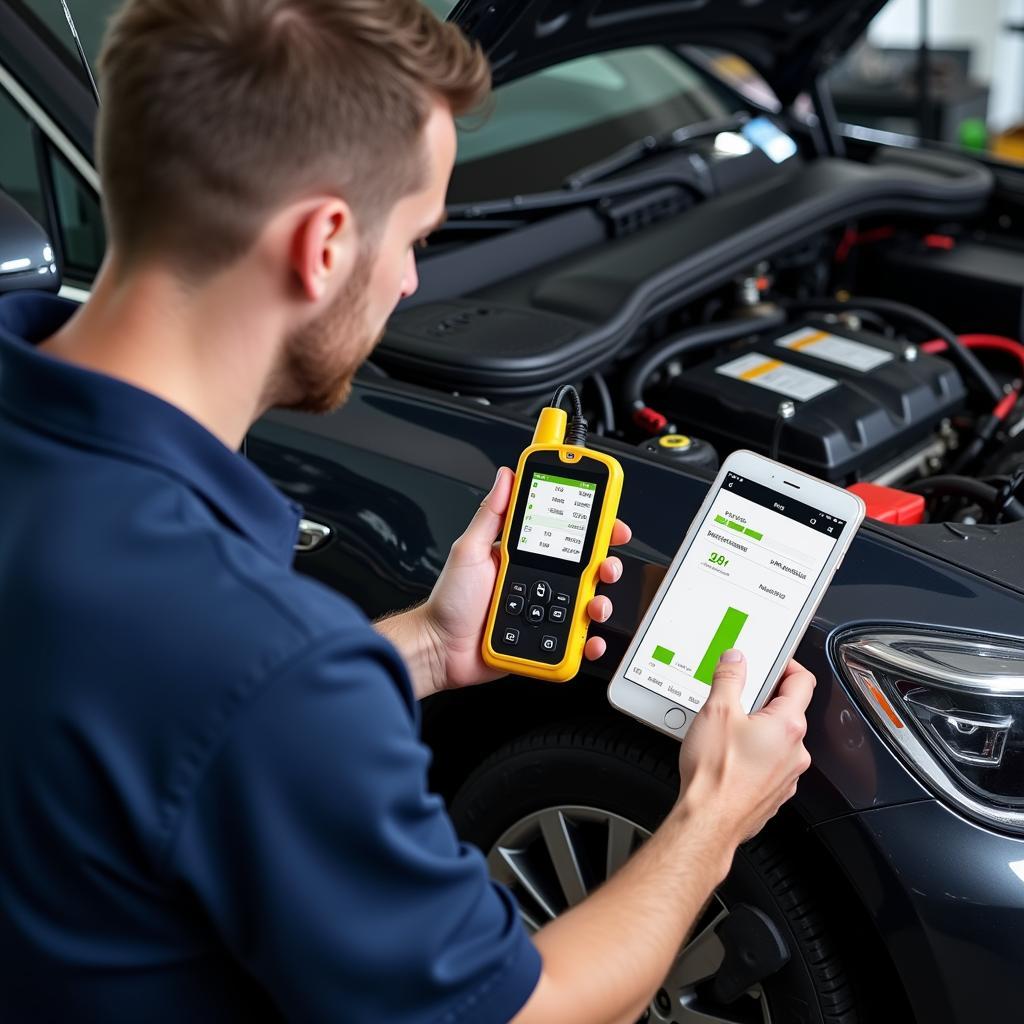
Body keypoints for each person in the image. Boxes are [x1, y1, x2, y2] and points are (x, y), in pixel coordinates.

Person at [0, 2, 814, 1022]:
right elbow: (524, 1009)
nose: (414, 278)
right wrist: (713, 814)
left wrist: (427, 645)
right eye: (418, 235)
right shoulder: (270, 662)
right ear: (326, 243)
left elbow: (147, 724)